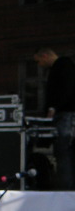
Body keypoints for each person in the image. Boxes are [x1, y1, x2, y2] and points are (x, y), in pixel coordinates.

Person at [35, 47, 75, 190]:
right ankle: (67, 187)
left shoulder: (62, 66)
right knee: (64, 151)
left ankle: (67, 188)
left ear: (45, 56)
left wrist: (53, 108)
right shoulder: (64, 66)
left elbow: (65, 89)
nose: (39, 65)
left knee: (63, 151)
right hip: (65, 114)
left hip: (65, 115)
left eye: (39, 61)